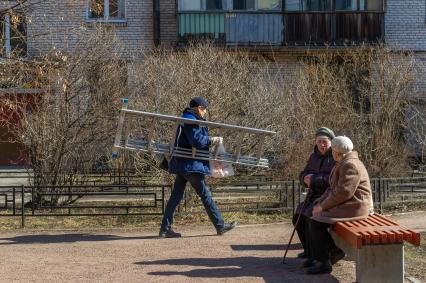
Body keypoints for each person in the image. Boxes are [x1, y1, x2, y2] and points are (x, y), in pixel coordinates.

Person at [159, 96, 237, 238]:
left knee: (176, 197)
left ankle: (165, 229)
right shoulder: (191, 120)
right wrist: (211, 140)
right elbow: (196, 141)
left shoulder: (188, 118)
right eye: (204, 109)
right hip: (191, 164)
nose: (205, 112)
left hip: (184, 164)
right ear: (199, 108)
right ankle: (220, 226)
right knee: (205, 195)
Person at [306, 136, 373, 274]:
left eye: (332, 150)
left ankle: (325, 261)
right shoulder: (343, 161)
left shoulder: (350, 165)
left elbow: (343, 193)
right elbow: (332, 188)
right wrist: (320, 203)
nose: (331, 152)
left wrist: (323, 207)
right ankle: (329, 253)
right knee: (311, 216)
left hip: (355, 206)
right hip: (348, 204)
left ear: (336, 152)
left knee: (315, 222)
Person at [294, 127, 335, 268]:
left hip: (326, 196)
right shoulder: (313, 156)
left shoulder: (335, 156)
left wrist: (315, 179)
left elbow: (333, 179)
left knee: (311, 219)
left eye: (325, 142)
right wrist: (303, 178)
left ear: (331, 141)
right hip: (312, 196)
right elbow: (304, 173)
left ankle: (320, 256)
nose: (322, 145)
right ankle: (309, 251)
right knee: (297, 219)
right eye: (319, 142)